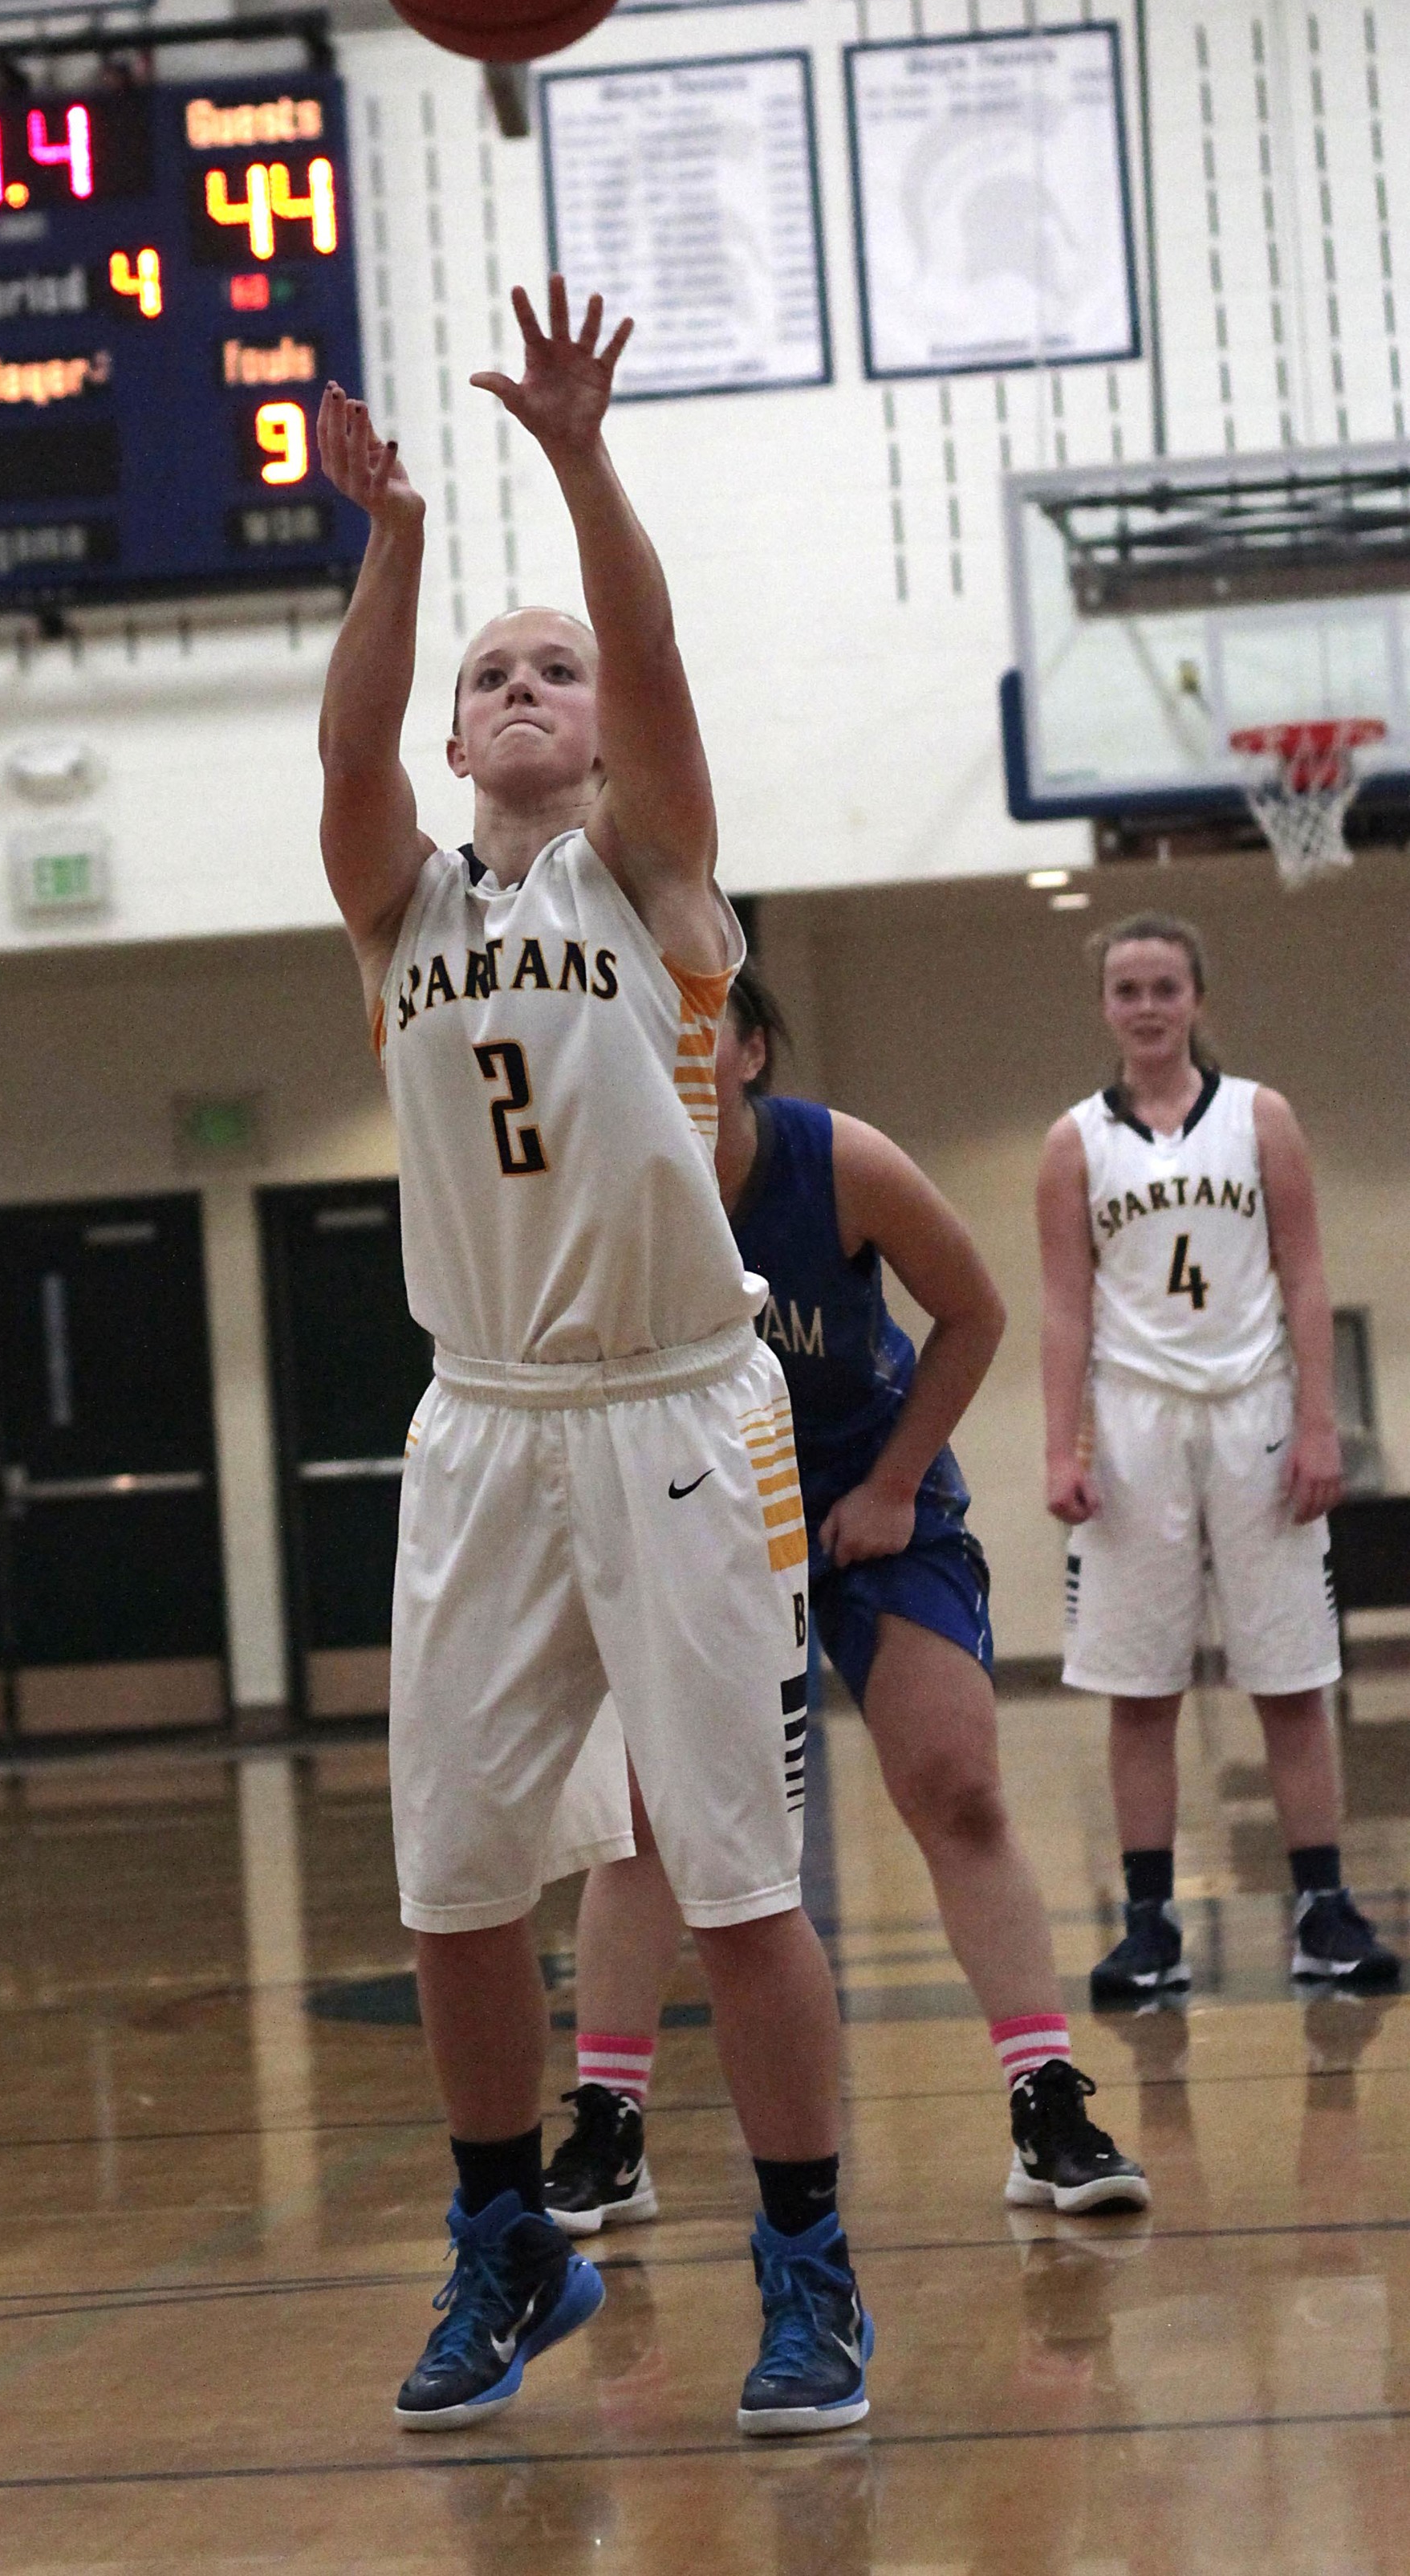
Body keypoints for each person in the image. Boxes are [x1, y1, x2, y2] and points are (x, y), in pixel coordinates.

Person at [315, 280, 872, 2439]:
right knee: (454, 1880)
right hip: (479, 1425)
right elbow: (350, 750)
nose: (528, 686)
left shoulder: (656, 878)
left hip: (674, 1409)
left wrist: (577, 457)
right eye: (494, 673)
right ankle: (500, 2249)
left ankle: (809, 2273)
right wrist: (392, 557)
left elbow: (644, 666)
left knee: (730, 1872)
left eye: (557, 669)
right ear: (462, 738)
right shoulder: (397, 911)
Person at [541, 971, 1148, 2236]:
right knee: (644, 1819)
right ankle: (609, 2120)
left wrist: (890, 1482)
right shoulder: (598, 1182)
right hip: (691, 1508)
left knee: (954, 1779)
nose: (666, 1049)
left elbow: (975, 1314)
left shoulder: (842, 1161)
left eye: (695, 1023)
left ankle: (1044, 2099)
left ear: (749, 1049)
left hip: (863, 1498)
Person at [1037, 910, 1399, 2002]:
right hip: (1136, 1423)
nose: (1146, 1006)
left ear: (1198, 1000)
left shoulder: (1260, 1117)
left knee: (1291, 1678)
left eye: (1164, 987)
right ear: (1106, 1005)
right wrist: (1062, 1443)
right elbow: (1064, 1305)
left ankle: (1322, 1908)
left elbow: (1304, 1275)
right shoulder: (1075, 1142)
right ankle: (1149, 1923)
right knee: (1139, 1690)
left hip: (1257, 1414)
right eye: (1127, 989)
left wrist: (1325, 1422)